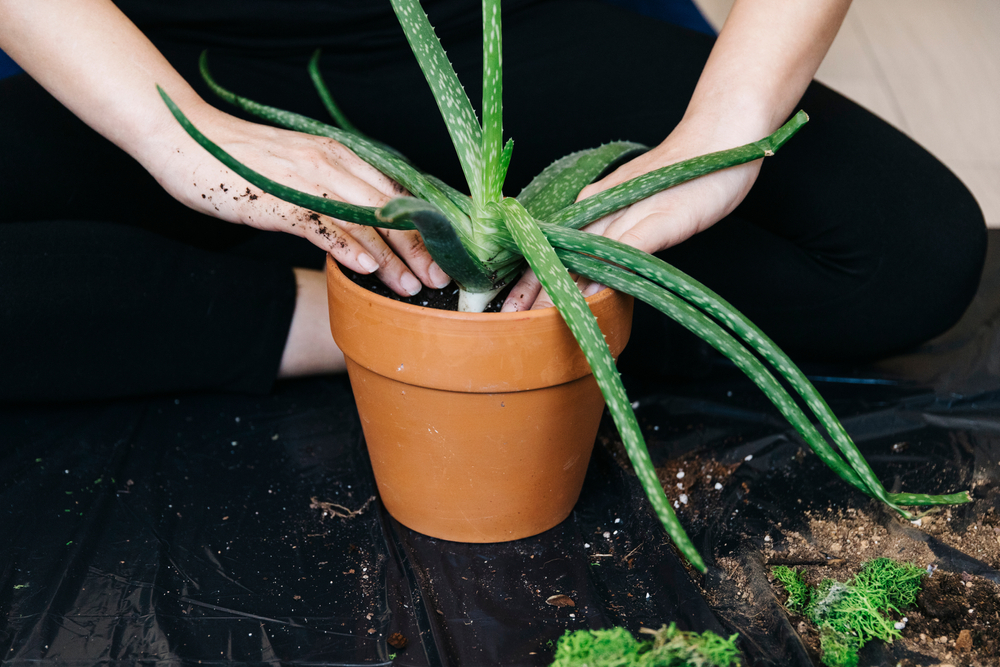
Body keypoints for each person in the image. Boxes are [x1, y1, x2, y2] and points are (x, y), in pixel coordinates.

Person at [0, 0, 986, 402]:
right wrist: (174, 133)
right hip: (150, 51)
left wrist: (724, 134)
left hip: (487, 35)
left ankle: (444, 279)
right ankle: (348, 311)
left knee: (903, 254)